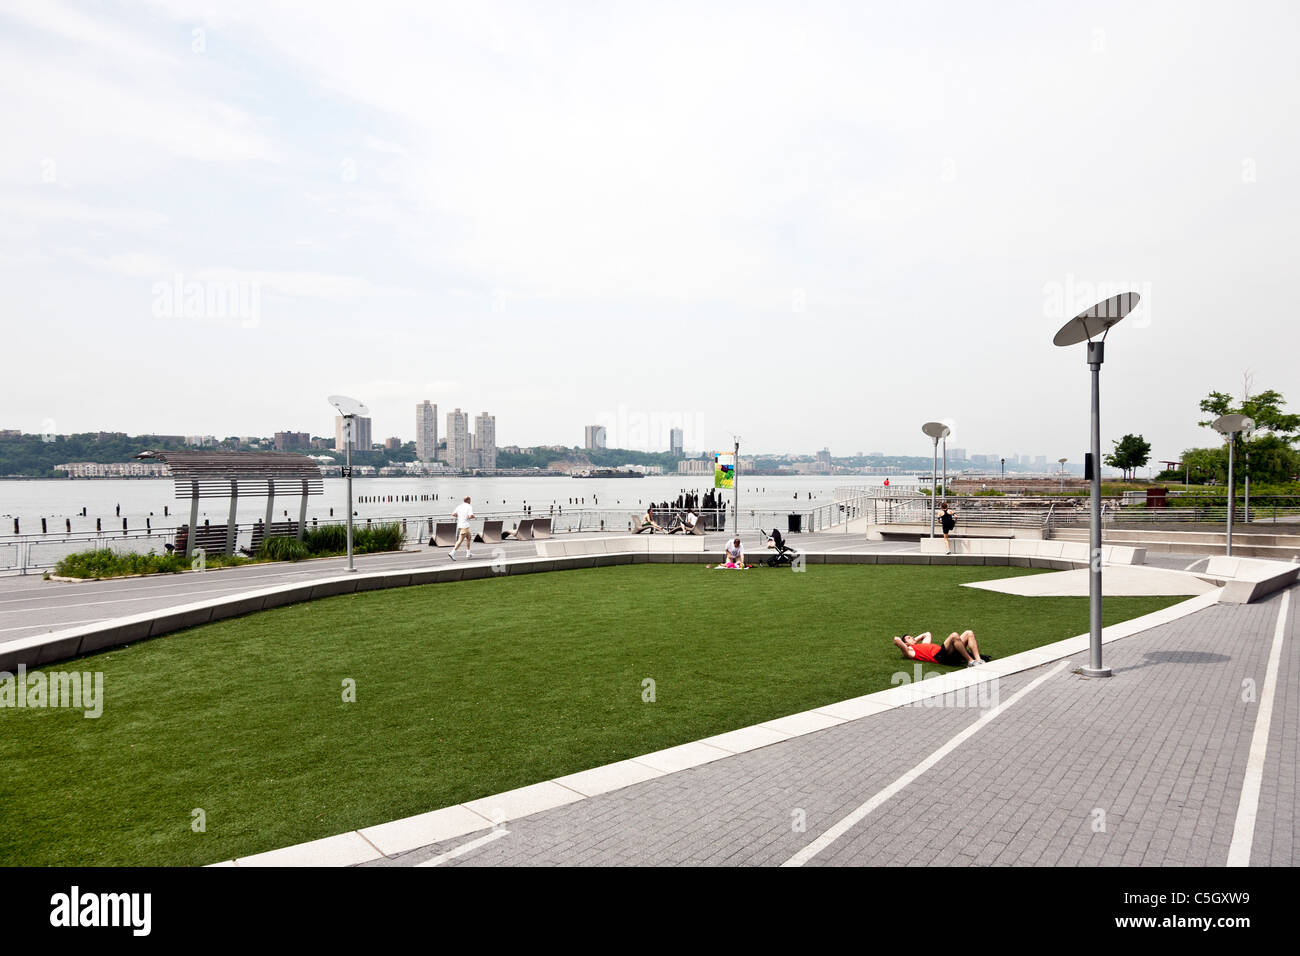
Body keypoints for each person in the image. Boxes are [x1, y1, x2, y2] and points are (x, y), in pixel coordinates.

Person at [893, 630, 985, 667]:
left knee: (969, 633)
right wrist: (907, 645)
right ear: (905, 643)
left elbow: (927, 634)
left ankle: (978, 660)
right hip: (940, 657)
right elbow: (896, 640)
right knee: (954, 636)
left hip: (945, 653)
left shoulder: (924, 644)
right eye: (909, 638)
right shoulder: (910, 652)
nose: (912, 637)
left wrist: (913, 641)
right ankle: (971, 662)